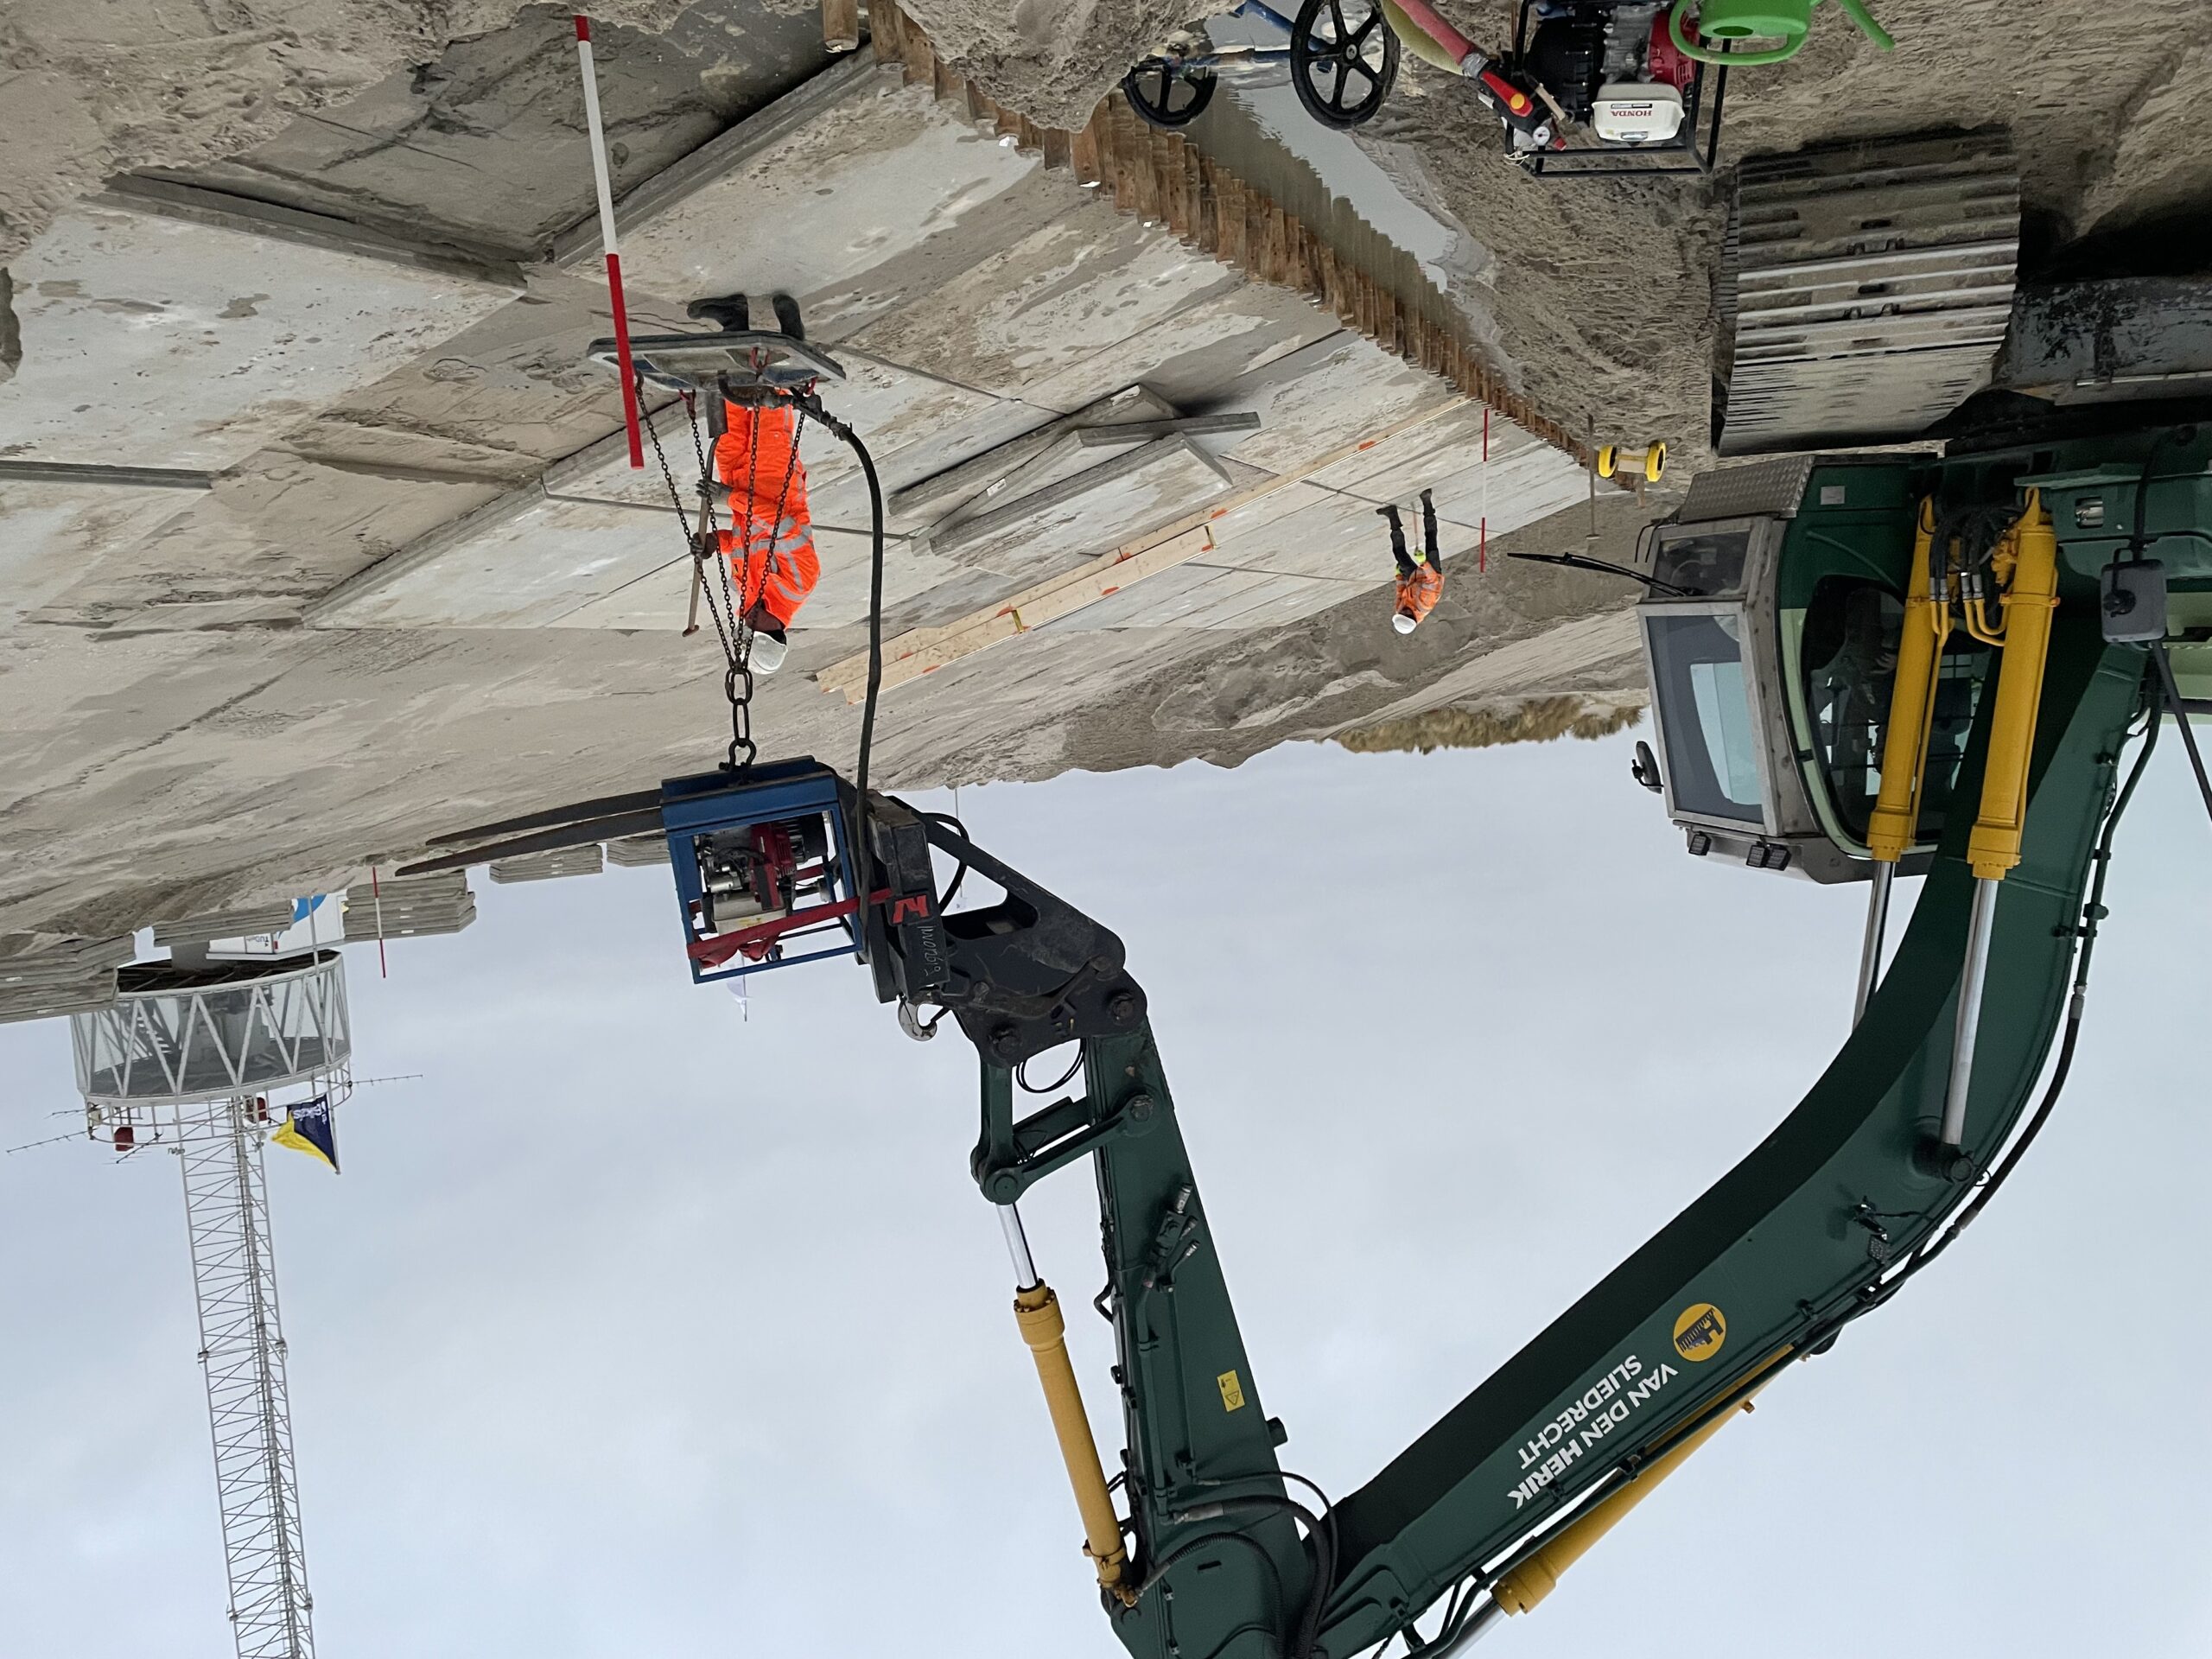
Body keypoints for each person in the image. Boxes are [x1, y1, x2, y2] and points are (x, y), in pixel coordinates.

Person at [688, 291, 821, 675]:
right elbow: (781, 525)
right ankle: (791, 338)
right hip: (773, 480)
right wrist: (731, 498)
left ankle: (734, 322)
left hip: (737, 480)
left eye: (744, 629)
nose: (746, 622)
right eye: (753, 629)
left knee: (733, 398)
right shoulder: (800, 585)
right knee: (769, 397)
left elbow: (745, 544)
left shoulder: (748, 600)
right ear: (775, 632)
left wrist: (717, 543)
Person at [1381, 488, 1443, 636]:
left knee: (1399, 554)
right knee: (1431, 542)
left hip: (1415, 580)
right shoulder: (1425, 603)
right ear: (1411, 615)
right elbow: (1432, 580)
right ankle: (1427, 503)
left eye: (1400, 612)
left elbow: (1400, 592)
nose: (1401, 610)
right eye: (1404, 612)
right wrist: (1423, 563)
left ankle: (1392, 517)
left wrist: (1399, 576)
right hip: (1432, 576)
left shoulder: (1401, 610)